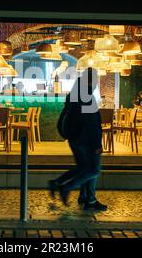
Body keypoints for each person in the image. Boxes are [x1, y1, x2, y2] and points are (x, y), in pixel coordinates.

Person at [48, 67, 107, 211]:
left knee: (83, 168)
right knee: (93, 170)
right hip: (86, 140)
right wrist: (97, 144)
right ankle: (68, 189)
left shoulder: (74, 93)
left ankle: (80, 194)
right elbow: (92, 123)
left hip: (74, 138)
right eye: (96, 80)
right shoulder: (86, 96)